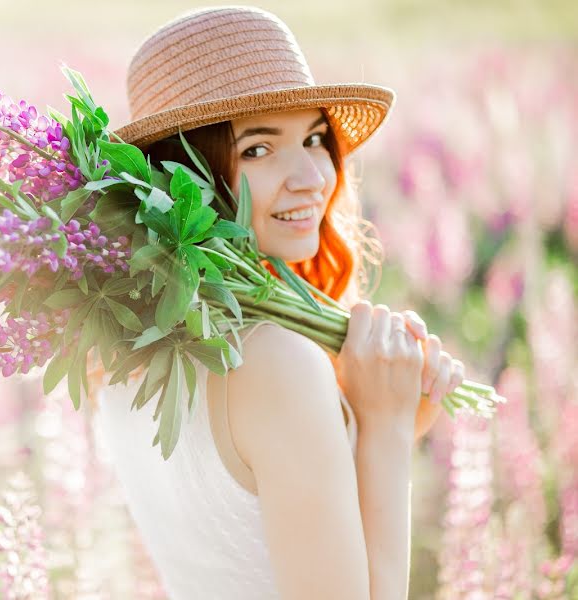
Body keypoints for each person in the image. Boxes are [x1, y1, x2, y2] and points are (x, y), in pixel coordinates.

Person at [89, 6, 465, 599]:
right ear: (176, 178)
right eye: (258, 149)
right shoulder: (276, 363)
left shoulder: (125, 350)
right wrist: (387, 434)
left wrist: (373, 421)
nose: (313, 176)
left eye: (315, 138)